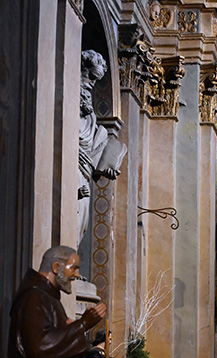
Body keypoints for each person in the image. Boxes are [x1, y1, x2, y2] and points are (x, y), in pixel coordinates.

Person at [78, 50, 127, 246]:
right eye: (88, 78)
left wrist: (106, 165)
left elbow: (94, 150)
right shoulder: (63, 103)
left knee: (82, 222)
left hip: (83, 174)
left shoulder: (90, 118)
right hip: (70, 173)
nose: (90, 85)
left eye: (95, 81)